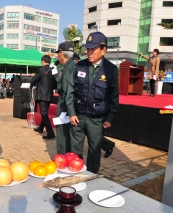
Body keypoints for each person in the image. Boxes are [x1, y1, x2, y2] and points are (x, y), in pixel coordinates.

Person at [66, 32, 119, 173]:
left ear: (103, 50)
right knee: (75, 152)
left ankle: (91, 177)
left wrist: (110, 117)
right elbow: (70, 91)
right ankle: (76, 176)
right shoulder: (79, 66)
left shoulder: (111, 70)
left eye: (93, 49)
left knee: (94, 151)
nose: (89, 53)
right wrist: (71, 113)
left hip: (97, 119)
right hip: (78, 116)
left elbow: (113, 96)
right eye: (87, 49)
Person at [53, 42, 76, 154]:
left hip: (65, 104)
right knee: (67, 133)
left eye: (58, 53)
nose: (57, 56)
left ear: (62, 54)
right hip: (70, 103)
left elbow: (66, 89)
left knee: (62, 133)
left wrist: (66, 110)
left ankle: (62, 157)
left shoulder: (67, 67)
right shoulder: (73, 65)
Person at [31, 55, 56, 139]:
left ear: (43, 61)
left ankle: (50, 133)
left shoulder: (41, 69)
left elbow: (34, 79)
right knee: (44, 112)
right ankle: (41, 128)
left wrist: (30, 85)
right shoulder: (53, 70)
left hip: (42, 95)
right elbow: (55, 83)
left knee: (44, 114)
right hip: (49, 95)